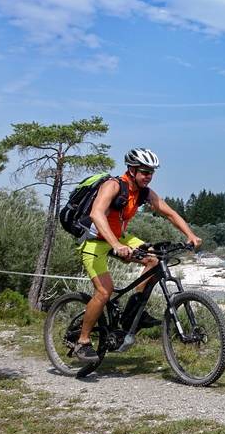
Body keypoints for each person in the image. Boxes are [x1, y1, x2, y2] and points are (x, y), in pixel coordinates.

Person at [73, 148, 201, 362]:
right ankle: (82, 341)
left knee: (154, 259)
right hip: (95, 241)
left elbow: (169, 213)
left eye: (151, 172)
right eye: (143, 171)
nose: (148, 176)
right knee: (105, 292)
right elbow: (96, 213)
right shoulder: (113, 185)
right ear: (131, 170)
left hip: (120, 238)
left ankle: (133, 311)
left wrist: (191, 235)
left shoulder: (144, 192)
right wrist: (115, 245)